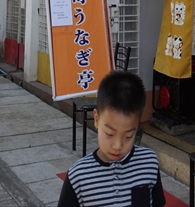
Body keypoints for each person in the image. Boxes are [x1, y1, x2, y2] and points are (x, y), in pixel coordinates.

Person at [58, 71, 165, 207]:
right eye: (109, 134)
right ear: (96, 119)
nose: (117, 146)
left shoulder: (149, 162)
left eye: (128, 136)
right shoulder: (78, 176)